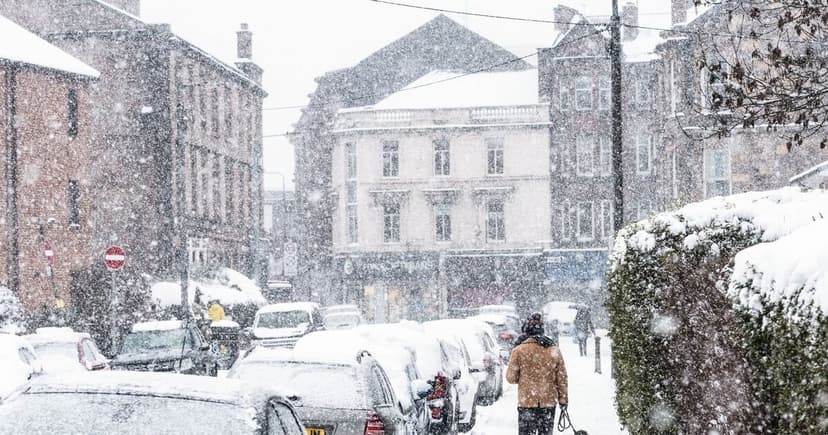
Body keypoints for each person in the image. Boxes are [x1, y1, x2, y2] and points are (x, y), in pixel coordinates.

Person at [507, 312, 568, 435]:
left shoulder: (518, 351)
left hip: (527, 402)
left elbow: (511, 378)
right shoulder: (554, 350)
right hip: (548, 402)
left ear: (527, 332)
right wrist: (563, 399)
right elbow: (561, 378)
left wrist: (524, 377)